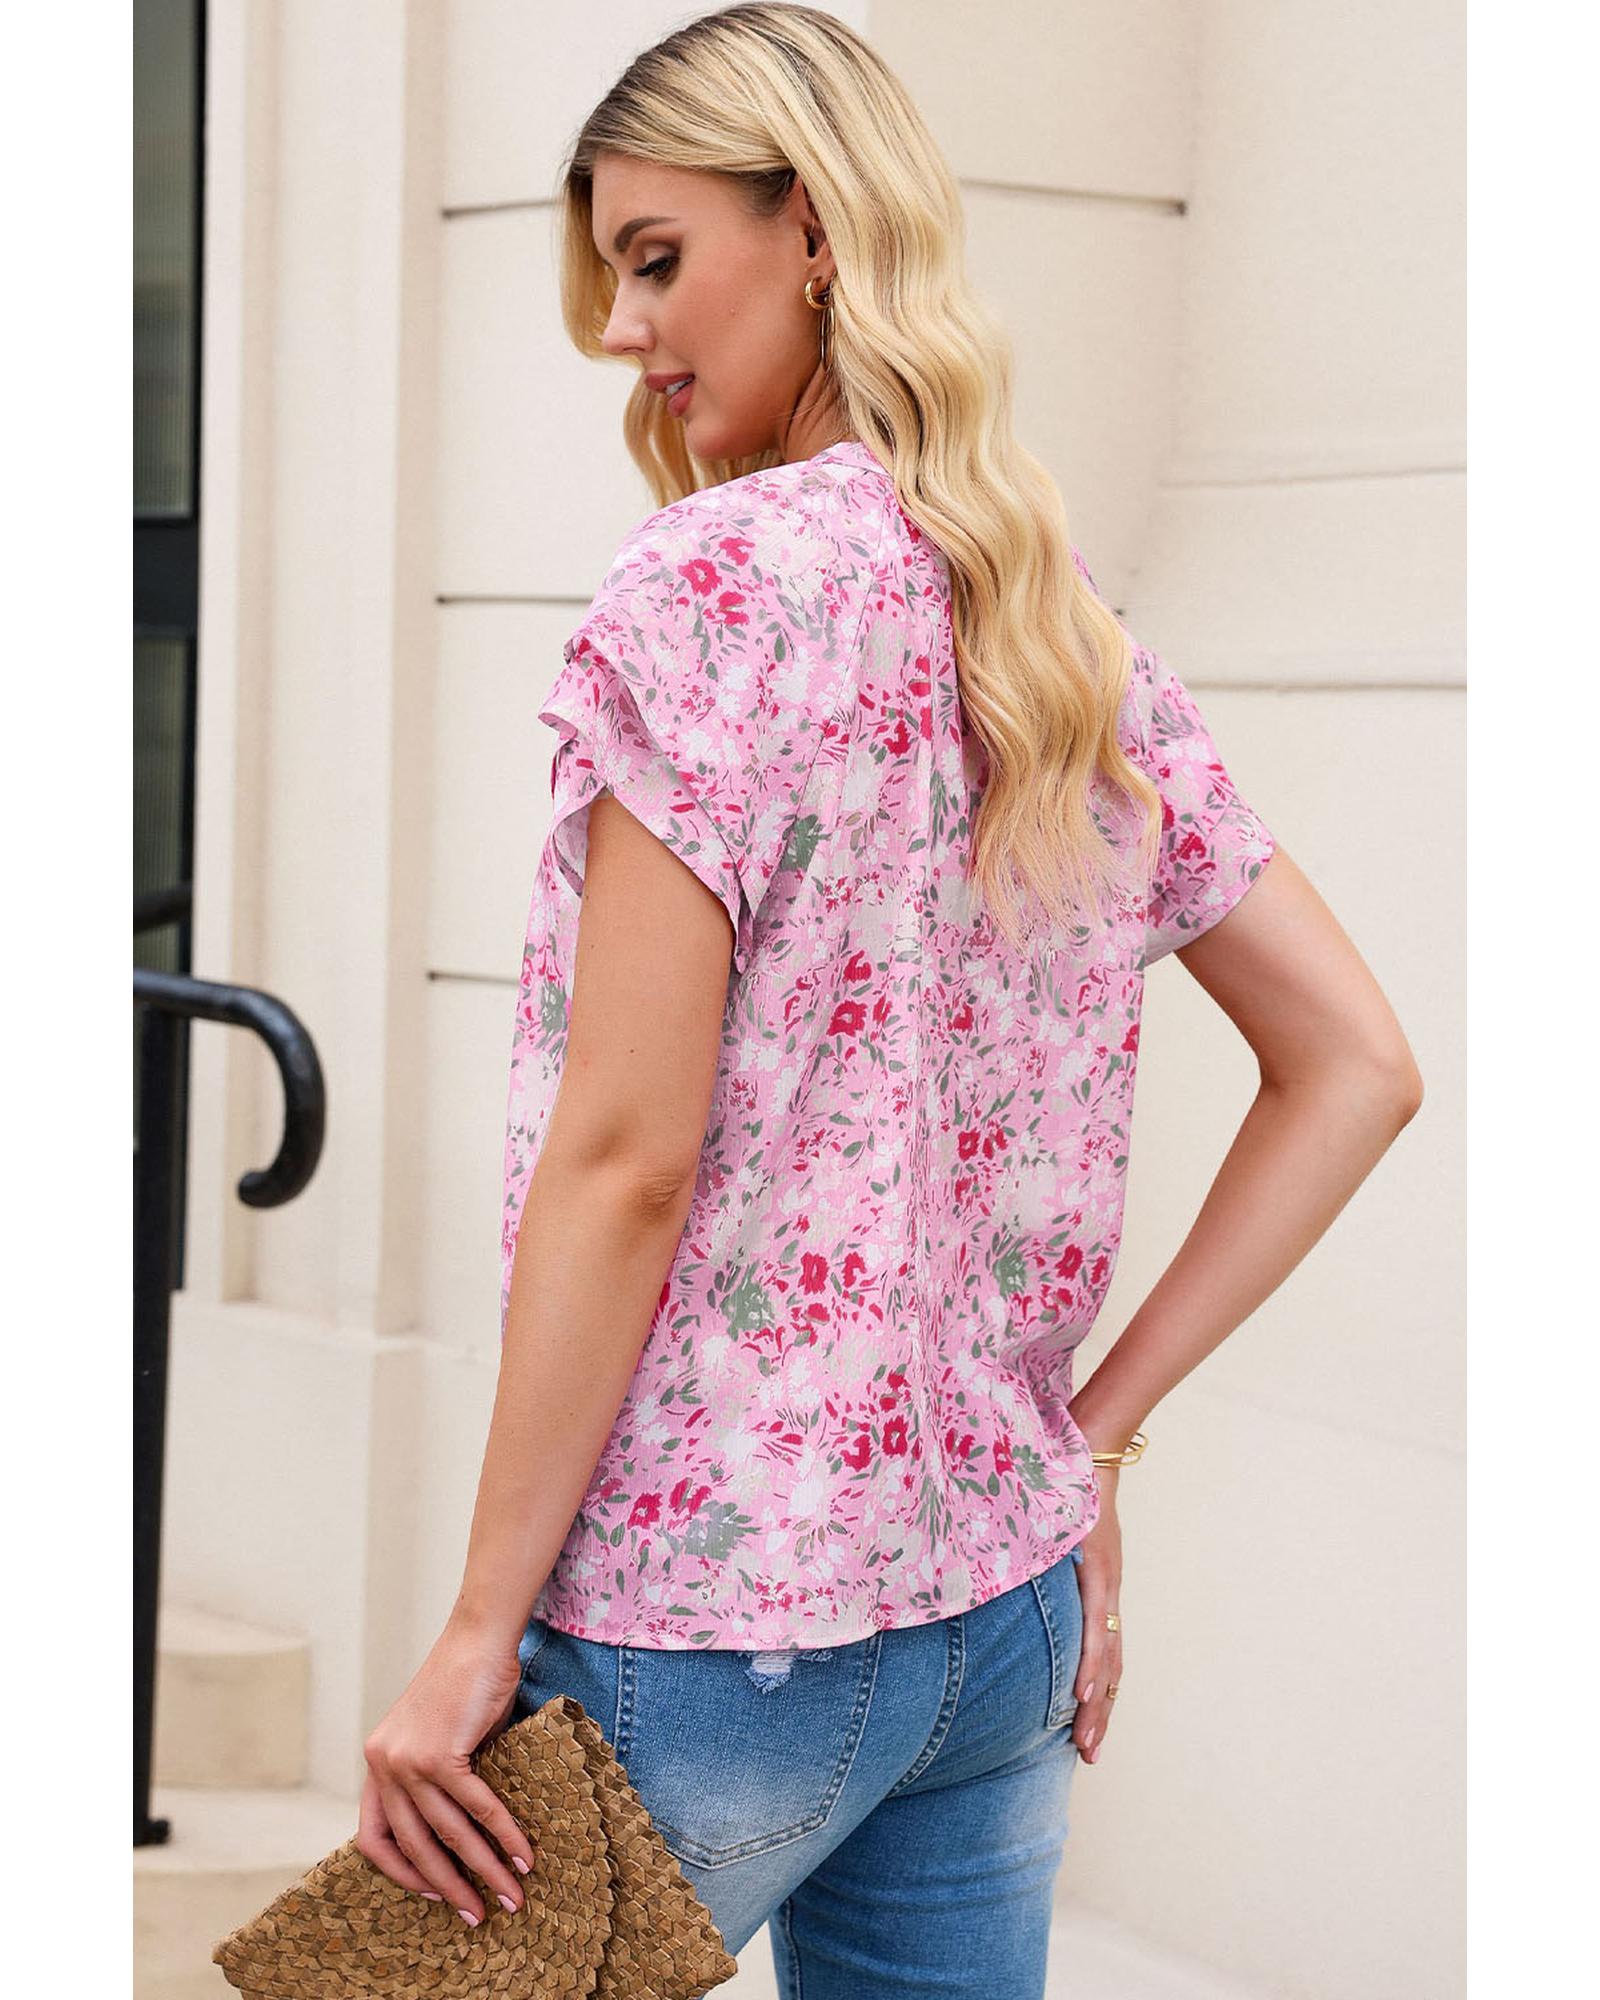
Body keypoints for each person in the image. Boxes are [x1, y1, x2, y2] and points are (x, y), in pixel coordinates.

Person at [356, 7, 1424, 1992]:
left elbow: (624, 1159)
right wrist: (1089, 1445)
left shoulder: (703, 593)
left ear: (818, 232)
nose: (620, 329)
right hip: (995, 1619)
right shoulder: (1047, 619)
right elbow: (1355, 1063)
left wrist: (472, 1634)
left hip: (706, 1631)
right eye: (610, 274)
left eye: (657, 258)